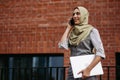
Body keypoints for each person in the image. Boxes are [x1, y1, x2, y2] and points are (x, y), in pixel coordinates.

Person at [58, 6, 106, 80]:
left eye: (78, 13)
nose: (75, 16)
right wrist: (68, 28)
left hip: (87, 73)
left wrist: (88, 69)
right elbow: (62, 46)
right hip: (72, 72)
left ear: (84, 15)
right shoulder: (73, 33)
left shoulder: (92, 31)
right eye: (73, 14)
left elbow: (100, 53)